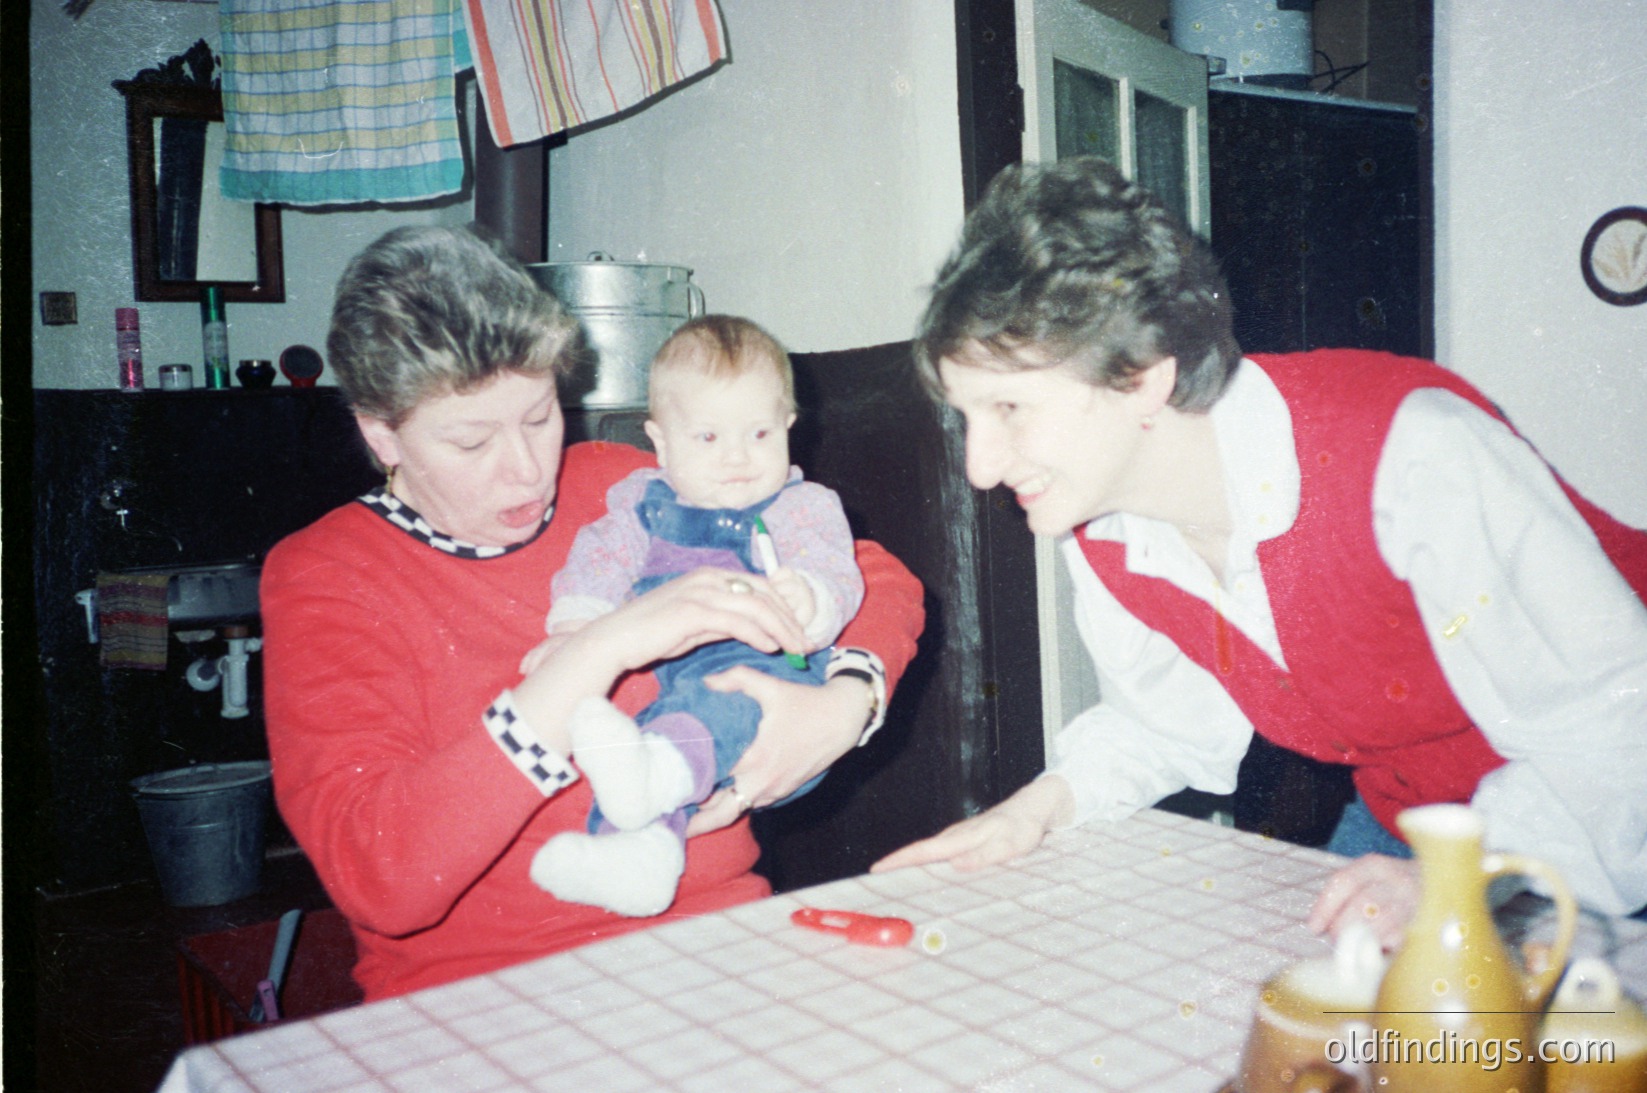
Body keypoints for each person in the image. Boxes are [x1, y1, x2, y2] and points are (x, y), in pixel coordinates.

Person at [872, 157, 1647, 947]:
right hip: (1417, 826)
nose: (980, 468)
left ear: (1142, 378)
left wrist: (1456, 878)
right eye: (968, 417)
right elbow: (1163, 723)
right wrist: (1031, 812)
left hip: (1604, 812)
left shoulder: (1413, 454)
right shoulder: (1101, 525)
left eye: (1008, 407)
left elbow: (1617, 728)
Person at [260, 226, 923, 1001]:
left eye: (539, 416)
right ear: (382, 434)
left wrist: (845, 704)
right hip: (489, 993)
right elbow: (384, 876)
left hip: (720, 943)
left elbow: (871, 574)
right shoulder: (327, 573)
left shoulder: (622, 485)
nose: (524, 469)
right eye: (471, 442)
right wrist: (598, 649)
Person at [523, 314, 864, 917]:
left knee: (705, 715)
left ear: (789, 426)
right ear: (660, 442)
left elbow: (838, 569)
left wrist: (811, 598)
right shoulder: (641, 505)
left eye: (759, 434)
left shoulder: (799, 507)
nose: (737, 457)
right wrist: (575, 627)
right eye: (708, 438)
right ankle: (636, 860)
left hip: (769, 679)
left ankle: (656, 784)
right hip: (678, 686)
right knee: (643, 737)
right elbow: (599, 559)